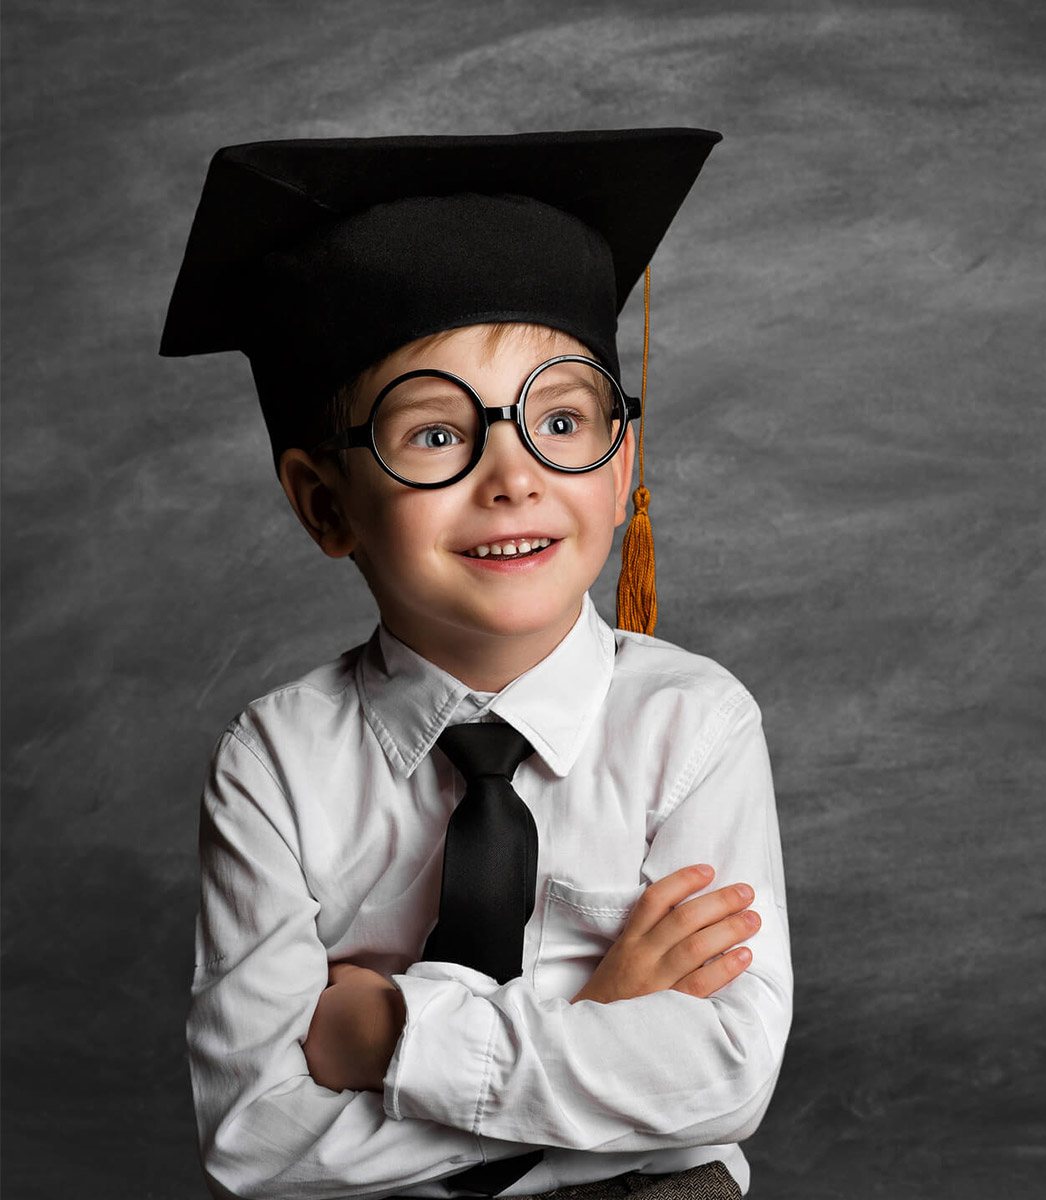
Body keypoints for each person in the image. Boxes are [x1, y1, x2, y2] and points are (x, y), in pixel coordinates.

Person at [160, 130, 792, 1200]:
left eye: (562, 419)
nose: (513, 476)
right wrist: (595, 1026)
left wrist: (390, 1036)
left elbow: (722, 1076)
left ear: (620, 465)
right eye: (436, 436)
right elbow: (255, 1137)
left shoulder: (692, 726)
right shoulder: (275, 763)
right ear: (325, 504)